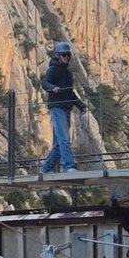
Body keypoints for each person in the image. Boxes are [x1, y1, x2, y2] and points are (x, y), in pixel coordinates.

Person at [39, 41, 83, 177]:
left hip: (66, 107)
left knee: (59, 144)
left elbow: (70, 93)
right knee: (64, 139)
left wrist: (80, 105)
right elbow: (45, 82)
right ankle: (68, 166)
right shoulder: (54, 69)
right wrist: (53, 88)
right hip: (57, 107)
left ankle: (44, 170)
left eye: (68, 55)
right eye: (64, 55)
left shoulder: (68, 74)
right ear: (57, 55)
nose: (66, 57)